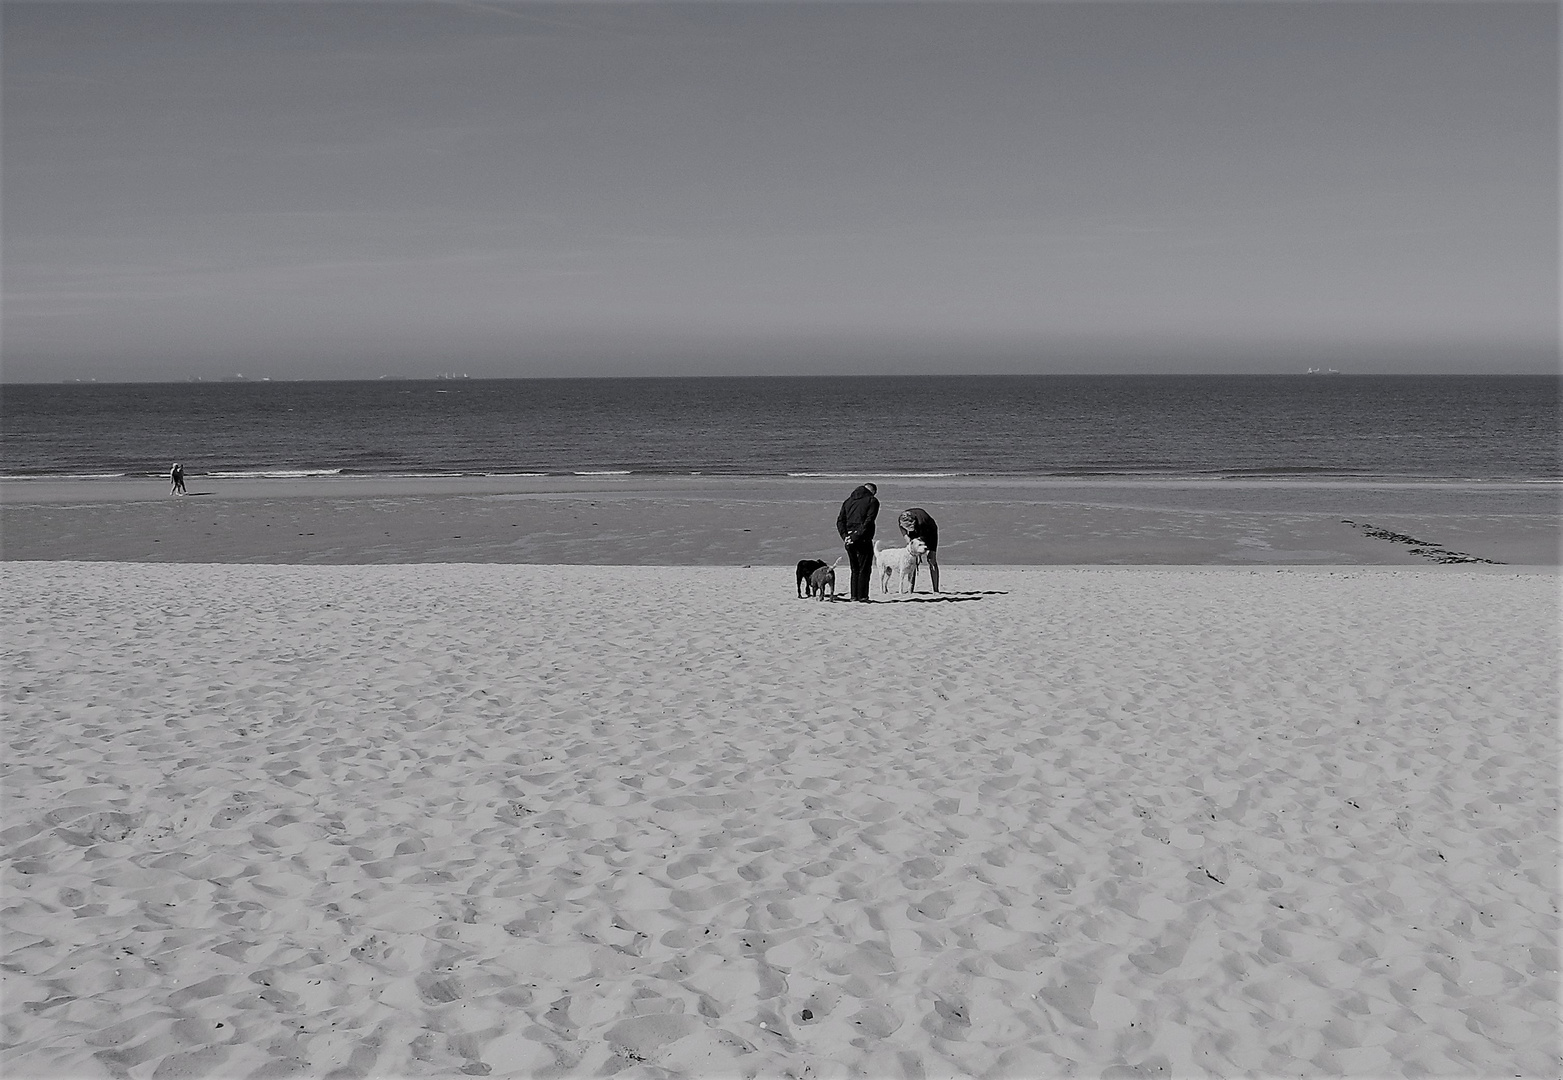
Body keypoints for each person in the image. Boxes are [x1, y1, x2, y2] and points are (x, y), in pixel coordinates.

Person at [836, 482, 879, 602]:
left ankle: (854, 596)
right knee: (864, 568)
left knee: (854, 569)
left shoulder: (848, 501)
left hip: (849, 538)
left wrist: (845, 536)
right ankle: (862, 596)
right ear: (872, 492)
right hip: (862, 538)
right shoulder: (872, 501)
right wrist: (855, 536)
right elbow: (869, 521)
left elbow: (840, 521)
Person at [898, 507, 940, 592]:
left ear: (913, 522)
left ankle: (936, 589)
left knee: (931, 559)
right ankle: (910, 589)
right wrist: (907, 537)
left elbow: (922, 540)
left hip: (930, 531)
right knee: (912, 559)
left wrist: (921, 551)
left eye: (911, 526)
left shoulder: (922, 522)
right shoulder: (901, 519)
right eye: (907, 527)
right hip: (915, 531)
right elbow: (904, 532)